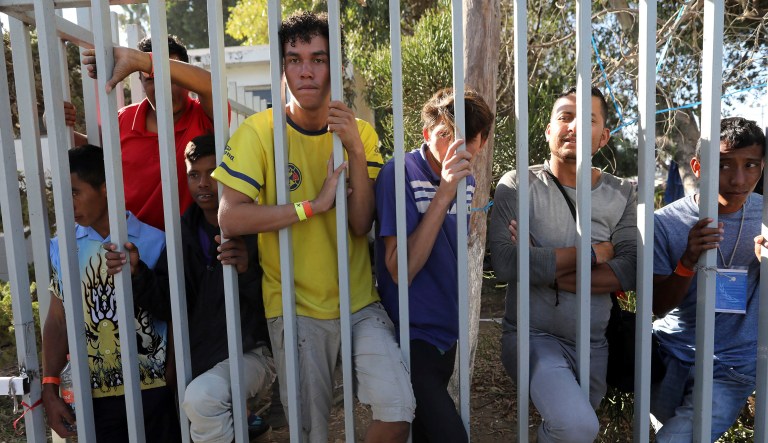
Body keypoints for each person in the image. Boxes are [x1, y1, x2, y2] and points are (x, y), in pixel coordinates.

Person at [211, 11, 415, 442]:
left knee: (398, 410)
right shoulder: (258, 132)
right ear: (282, 67)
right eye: (295, 58)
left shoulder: (360, 133)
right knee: (310, 433)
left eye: (318, 59)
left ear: (335, 66)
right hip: (294, 308)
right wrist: (311, 206)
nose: (306, 70)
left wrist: (355, 152)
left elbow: (361, 225)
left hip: (359, 301)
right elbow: (230, 217)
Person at [488, 87, 637, 442]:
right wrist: (596, 254)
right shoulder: (517, 184)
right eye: (564, 117)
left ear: (603, 137)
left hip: (593, 344)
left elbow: (629, 269)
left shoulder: (622, 193)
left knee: (568, 432)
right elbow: (508, 264)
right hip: (532, 336)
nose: (572, 127)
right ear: (548, 131)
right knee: (577, 426)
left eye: (587, 119)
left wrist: (544, 267)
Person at [104, 134, 276, 442]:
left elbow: (277, 304)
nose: (203, 183)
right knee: (199, 402)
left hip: (253, 353)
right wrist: (137, 273)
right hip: (200, 359)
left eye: (213, 172)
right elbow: (169, 304)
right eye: (194, 175)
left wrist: (248, 270)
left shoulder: (258, 225)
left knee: (202, 398)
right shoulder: (184, 233)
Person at [374, 87, 493, 442]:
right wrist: (443, 192)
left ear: (481, 143)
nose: (455, 148)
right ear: (427, 133)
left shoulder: (467, 180)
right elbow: (400, 270)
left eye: (467, 139)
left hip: (447, 331)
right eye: (445, 135)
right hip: (411, 336)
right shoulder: (399, 174)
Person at [41, 144, 179, 442]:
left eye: (75, 192)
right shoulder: (62, 248)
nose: (68, 204)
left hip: (154, 393)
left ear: (105, 188)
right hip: (92, 399)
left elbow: (177, 314)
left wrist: (173, 375)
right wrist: (50, 387)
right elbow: (58, 319)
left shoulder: (155, 242)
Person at [650, 117, 766, 442]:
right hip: (671, 356)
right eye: (724, 165)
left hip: (734, 366)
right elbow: (657, 305)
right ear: (698, 167)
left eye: (751, 165)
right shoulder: (666, 222)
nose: (739, 178)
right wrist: (687, 262)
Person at [72, 35, 220, 231]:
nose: (162, 89)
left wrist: (142, 61)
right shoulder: (123, 119)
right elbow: (94, 154)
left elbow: (212, 84)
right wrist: (60, 124)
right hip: (132, 245)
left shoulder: (205, 115)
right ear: (140, 81)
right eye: (151, 79)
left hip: (188, 246)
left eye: (172, 78)